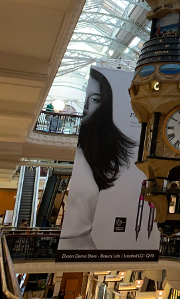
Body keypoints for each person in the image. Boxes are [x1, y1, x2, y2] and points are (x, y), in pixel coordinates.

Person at [59, 68, 135, 250]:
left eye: (94, 99)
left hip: (86, 247)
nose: (85, 105)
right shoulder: (84, 155)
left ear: (103, 105)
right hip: (76, 248)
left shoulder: (95, 155)